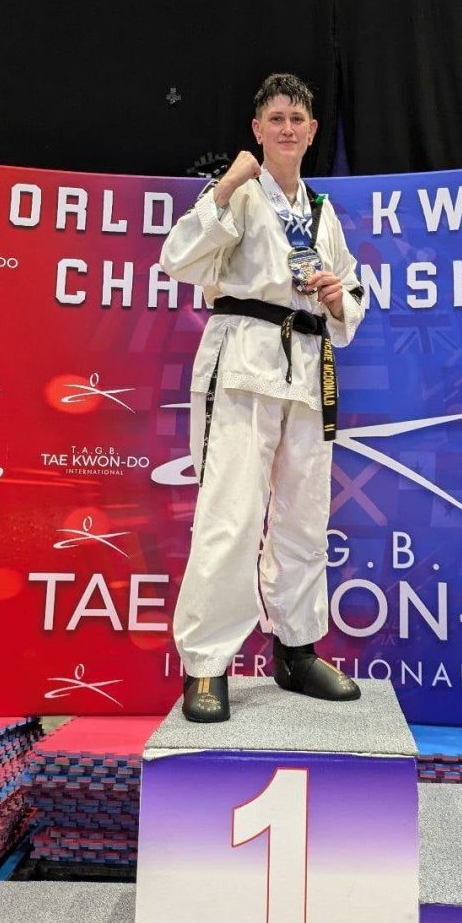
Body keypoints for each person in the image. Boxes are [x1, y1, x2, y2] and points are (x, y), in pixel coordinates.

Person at [160, 73, 365, 722]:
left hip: (308, 367)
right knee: (231, 515)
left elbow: (353, 290)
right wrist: (225, 184)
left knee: (305, 517)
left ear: (312, 131)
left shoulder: (324, 213)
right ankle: (206, 663)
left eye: (297, 118)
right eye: (275, 118)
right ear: (257, 129)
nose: (287, 128)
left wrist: (339, 299)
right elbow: (178, 258)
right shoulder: (240, 194)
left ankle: (296, 650)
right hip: (244, 359)